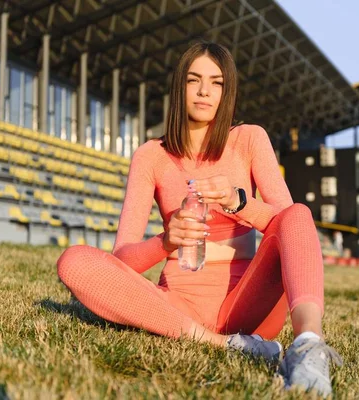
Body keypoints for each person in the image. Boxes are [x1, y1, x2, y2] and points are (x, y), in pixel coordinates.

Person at [56, 41, 341, 397]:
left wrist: (241, 201)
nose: (205, 91)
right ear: (181, 87)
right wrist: (166, 241)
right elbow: (122, 261)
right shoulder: (150, 156)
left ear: (227, 91)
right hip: (178, 306)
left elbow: (288, 227)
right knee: (74, 260)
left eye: (216, 82)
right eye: (194, 80)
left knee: (298, 213)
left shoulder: (249, 139)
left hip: (248, 302)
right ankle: (229, 346)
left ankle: (308, 346)